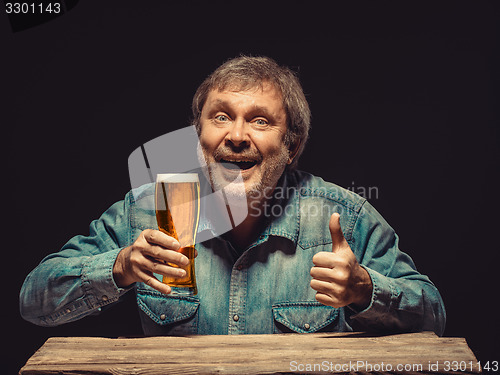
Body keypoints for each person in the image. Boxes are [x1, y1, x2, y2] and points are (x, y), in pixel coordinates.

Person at [20, 56, 445, 336]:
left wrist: (365, 289)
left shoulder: (345, 217)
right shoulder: (150, 209)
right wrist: (118, 265)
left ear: (292, 147)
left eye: (259, 121)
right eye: (221, 116)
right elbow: (34, 301)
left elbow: (433, 318)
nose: (236, 136)